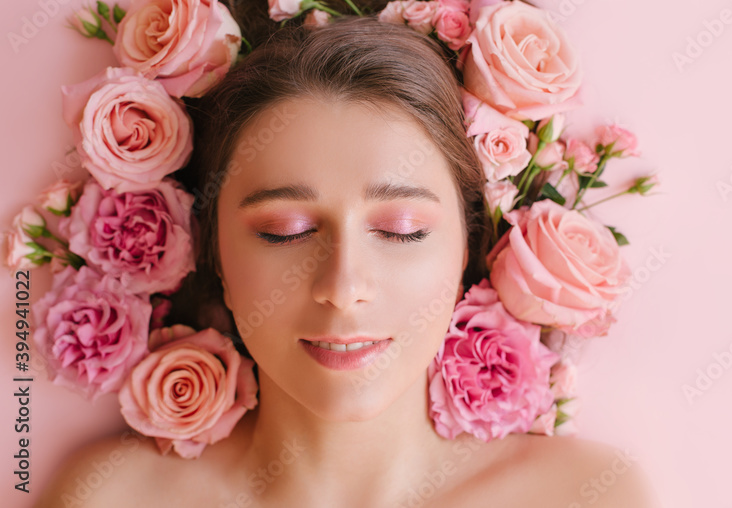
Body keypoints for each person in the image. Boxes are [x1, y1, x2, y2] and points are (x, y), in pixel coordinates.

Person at [36, 11, 659, 508]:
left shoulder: (586, 497)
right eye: (284, 231)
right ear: (213, 248)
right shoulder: (111, 498)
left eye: (403, 230)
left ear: (468, 245)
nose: (343, 286)